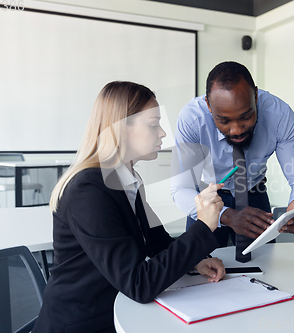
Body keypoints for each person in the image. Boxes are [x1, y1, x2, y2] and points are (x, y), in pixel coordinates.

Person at [33, 81, 225, 333]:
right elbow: (139, 284)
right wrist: (203, 227)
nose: (163, 134)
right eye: (153, 125)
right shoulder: (88, 191)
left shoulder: (126, 179)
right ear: (122, 128)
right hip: (81, 323)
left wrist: (196, 261)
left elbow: (157, 243)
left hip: (115, 309)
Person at [171, 61, 294, 261]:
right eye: (224, 120)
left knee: (264, 267)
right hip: (208, 197)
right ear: (208, 105)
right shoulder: (192, 119)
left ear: (255, 96)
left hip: (254, 193)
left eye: (246, 116)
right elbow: (181, 189)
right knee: (199, 268)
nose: (237, 129)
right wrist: (227, 215)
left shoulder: (279, 115)